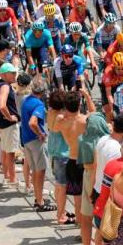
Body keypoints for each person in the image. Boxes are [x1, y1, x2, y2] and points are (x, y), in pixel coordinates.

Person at [51, 90, 97, 245]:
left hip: (71, 159)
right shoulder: (84, 120)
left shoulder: (62, 122)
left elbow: (53, 127)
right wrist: (87, 95)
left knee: (78, 200)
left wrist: (61, 115)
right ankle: (87, 229)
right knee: (90, 198)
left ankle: (81, 229)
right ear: (79, 105)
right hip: (85, 160)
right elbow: (94, 113)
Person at [78, 112, 110, 245]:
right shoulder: (108, 141)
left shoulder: (84, 141)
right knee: (103, 222)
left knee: (86, 218)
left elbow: (85, 164)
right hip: (105, 181)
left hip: (89, 178)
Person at [21, 78, 57, 212]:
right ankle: (40, 202)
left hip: (26, 140)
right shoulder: (38, 105)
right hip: (35, 141)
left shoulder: (26, 100)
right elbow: (32, 122)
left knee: (35, 171)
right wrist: (41, 133)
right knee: (40, 172)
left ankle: (38, 198)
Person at [47, 90, 76, 226]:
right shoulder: (62, 116)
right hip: (62, 154)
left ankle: (60, 211)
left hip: (53, 151)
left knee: (58, 184)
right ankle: (61, 215)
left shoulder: (50, 113)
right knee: (63, 187)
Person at [0, 63, 20, 187]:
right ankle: (12, 179)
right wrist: (10, 117)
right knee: (11, 152)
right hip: (8, 124)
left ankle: (6, 176)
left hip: (0, 122)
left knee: (4, 149)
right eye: (12, 73)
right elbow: (2, 105)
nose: (15, 75)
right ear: (4, 74)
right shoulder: (5, 86)